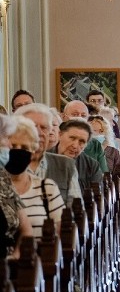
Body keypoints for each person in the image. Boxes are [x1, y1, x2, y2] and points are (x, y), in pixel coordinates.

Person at [6, 116, 63, 239]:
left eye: (25, 148)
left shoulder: (47, 188)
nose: (18, 152)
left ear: (33, 151)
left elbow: (61, 238)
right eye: (13, 146)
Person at [15, 103, 81, 204]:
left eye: (44, 128)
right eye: (32, 126)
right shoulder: (6, 166)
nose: (39, 133)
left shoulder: (66, 165)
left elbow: (77, 212)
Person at [0, 115, 35, 256]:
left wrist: (15, 258)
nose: (9, 146)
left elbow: (26, 228)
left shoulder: (3, 178)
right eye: (5, 138)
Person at [53, 120, 103, 191]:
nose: (75, 146)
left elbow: (98, 197)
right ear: (60, 135)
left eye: (81, 142)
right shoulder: (43, 159)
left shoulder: (91, 166)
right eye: (72, 138)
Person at [63, 100, 108, 173]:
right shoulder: (56, 141)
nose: (79, 118)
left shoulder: (95, 145)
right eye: (75, 114)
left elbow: (103, 173)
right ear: (64, 117)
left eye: (83, 115)